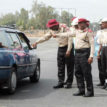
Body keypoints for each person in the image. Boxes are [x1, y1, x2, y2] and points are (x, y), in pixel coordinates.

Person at [52, 18, 94, 97]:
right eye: (79, 23)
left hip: (85, 53)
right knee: (77, 72)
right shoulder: (76, 32)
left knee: (86, 73)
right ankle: (81, 90)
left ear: (85, 24)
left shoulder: (88, 32)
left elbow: (92, 44)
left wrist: (91, 56)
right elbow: (67, 34)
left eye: (82, 23)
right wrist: (57, 35)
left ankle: (90, 91)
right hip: (77, 53)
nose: (80, 25)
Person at [33, 19, 74, 89]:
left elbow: (70, 38)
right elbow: (45, 37)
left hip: (68, 47)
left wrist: (69, 50)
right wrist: (37, 42)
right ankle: (60, 82)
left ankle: (69, 82)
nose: (50, 28)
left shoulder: (64, 27)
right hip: (60, 47)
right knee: (60, 66)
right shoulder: (52, 30)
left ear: (55, 25)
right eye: (50, 27)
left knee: (69, 66)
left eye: (51, 27)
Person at [97, 18, 107, 90]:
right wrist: (98, 52)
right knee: (104, 67)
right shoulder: (102, 32)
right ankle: (106, 82)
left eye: (103, 23)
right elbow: (100, 43)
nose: (102, 25)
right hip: (103, 49)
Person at [94, 22, 105, 87]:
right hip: (98, 52)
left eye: (102, 24)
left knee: (104, 68)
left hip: (103, 51)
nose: (101, 25)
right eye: (100, 24)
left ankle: (105, 82)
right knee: (100, 68)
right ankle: (102, 81)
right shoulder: (98, 32)